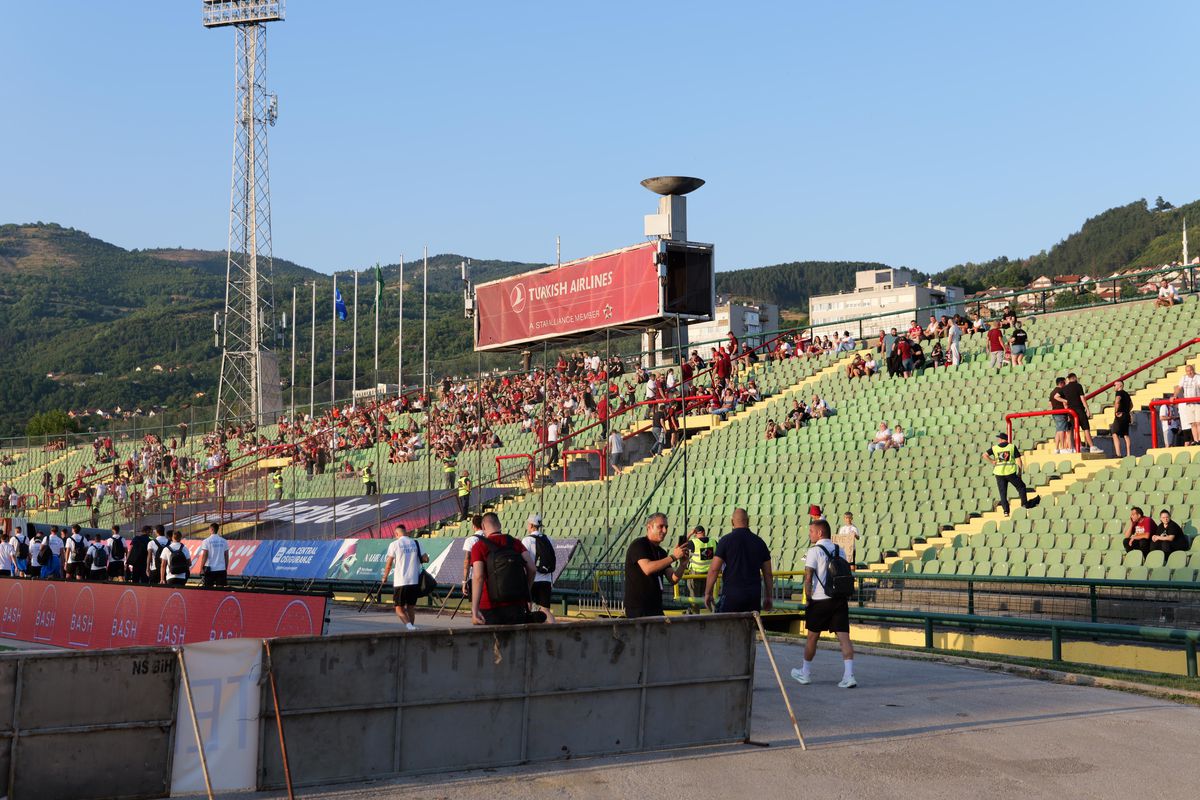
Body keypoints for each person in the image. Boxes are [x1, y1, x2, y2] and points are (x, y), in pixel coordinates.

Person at [790, 519, 856, 688]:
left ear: (820, 533)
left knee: (812, 637)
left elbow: (808, 577)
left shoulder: (814, 551)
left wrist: (808, 598)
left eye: (811, 531)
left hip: (820, 600)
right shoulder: (839, 550)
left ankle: (805, 672)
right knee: (844, 638)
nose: (810, 534)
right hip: (839, 599)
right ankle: (849, 675)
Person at [470, 512, 540, 626]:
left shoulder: (479, 546)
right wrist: (526, 594)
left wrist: (474, 609)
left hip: (489, 606)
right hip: (516, 604)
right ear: (499, 525)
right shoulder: (515, 543)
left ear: (483, 527)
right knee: (516, 642)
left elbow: (478, 577)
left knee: (492, 642)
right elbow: (532, 568)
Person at [704, 508, 773, 614]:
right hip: (753, 598)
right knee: (749, 629)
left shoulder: (725, 541)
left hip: (731, 597)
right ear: (748, 521)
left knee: (726, 628)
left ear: (732, 522)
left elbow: (714, 569)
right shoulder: (760, 543)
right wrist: (769, 597)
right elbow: (768, 573)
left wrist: (708, 593)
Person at [623, 512, 687, 619]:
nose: (665, 531)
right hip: (638, 608)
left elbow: (673, 579)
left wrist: (682, 565)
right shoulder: (639, 545)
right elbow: (647, 568)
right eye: (660, 527)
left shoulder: (661, 552)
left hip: (655, 607)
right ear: (649, 527)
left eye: (666, 527)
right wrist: (673, 557)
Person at [383, 524, 427, 630]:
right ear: (406, 532)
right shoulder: (416, 543)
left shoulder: (394, 544)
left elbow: (388, 564)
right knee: (410, 607)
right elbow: (425, 558)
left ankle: (409, 626)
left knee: (399, 608)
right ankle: (411, 627)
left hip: (400, 581)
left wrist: (385, 577)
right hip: (414, 580)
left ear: (396, 534)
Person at [983, 432, 1033, 516]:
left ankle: (1006, 511)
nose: (998, 439)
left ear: (1001, 439)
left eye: (999, 438)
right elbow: (1018, 460)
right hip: (1010, 472)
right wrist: (1019, 472)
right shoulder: (1012, 447)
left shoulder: (994, 448)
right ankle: (1024, 504)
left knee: (1002, 493)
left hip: (999, 473)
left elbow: (984, 455)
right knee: (1021, 487)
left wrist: (992, 461)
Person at [521, 514, 557, 624]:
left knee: (527, 607)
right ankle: (556, 631)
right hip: (546, 579)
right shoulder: (548, 539)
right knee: (545, 610)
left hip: (532, 579)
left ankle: (528, 634)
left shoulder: (526, 540)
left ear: (531, 525)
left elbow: (524, 561)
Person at [1060, 373, 1101, 453]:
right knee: (1086, 428)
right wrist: (1088, 410)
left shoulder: (1065, 388)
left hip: (1071, 411)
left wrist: (1066, 401)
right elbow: (1082, 398)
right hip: (1079, 409)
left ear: (1068, 379)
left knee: (1075, 430)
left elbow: (1056, 396)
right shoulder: (1078, 386)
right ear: (1074, 378)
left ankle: (1075, 447)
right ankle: (1092, 447)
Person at [685, 525, 718, 601]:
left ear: (695, 534)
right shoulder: (713, 542)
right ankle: (713, 612)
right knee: (710, 596)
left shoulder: (693, 543)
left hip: (696, 574)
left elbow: (681, 545)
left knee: (695, 598)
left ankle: (695, 612)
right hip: (710, 573)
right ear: (704, 532)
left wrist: (690, 534)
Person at [194, 522, 229, 588]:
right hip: (221, 568)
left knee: (209, 590)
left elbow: (205, 555)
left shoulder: (206, 541)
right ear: (217, 529)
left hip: (209, 568)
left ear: (211, 529)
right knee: (220, 590)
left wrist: (201, 568)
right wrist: (225, 567)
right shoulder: (224, 541)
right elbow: (226, 555)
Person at [1176, 364, 1200, 446]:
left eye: (1191, 370)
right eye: (1187, 371)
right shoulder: (1183, 378)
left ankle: (1199, 439)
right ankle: (1196, 440)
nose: (1189, 372)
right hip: (1188, 403)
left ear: (1193, 370)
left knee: (1198, 422)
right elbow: (1179, 387)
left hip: (1197, 402)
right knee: (1192, 423)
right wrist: (1174, 396)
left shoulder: (1198, 377)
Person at [1050, 377, 1075, 454]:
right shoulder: (1061, 391)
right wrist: (1068, 413)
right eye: (1064, 383)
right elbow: (1065, 403)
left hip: (1054, 413)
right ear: (1061, 383)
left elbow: (1050, 404)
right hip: (1061, 413)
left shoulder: (1052, 392)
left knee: (1058, 430)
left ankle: (1057, 448)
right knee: (1061, 430)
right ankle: (1063, 448)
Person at [1111, 379, 1133, 458]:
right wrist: (1127, 411)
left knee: (1114, 433)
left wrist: (1116, 412)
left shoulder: (1119, 392)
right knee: (1125, 435)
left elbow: (1117, 401)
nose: (1114, 386)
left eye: (1115, 385)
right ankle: (1128, 454)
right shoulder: (1127, 394)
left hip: (1120, 415)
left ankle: (1118, 454)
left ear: (1120, 385)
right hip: (1126, 415)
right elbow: (1131, 405)